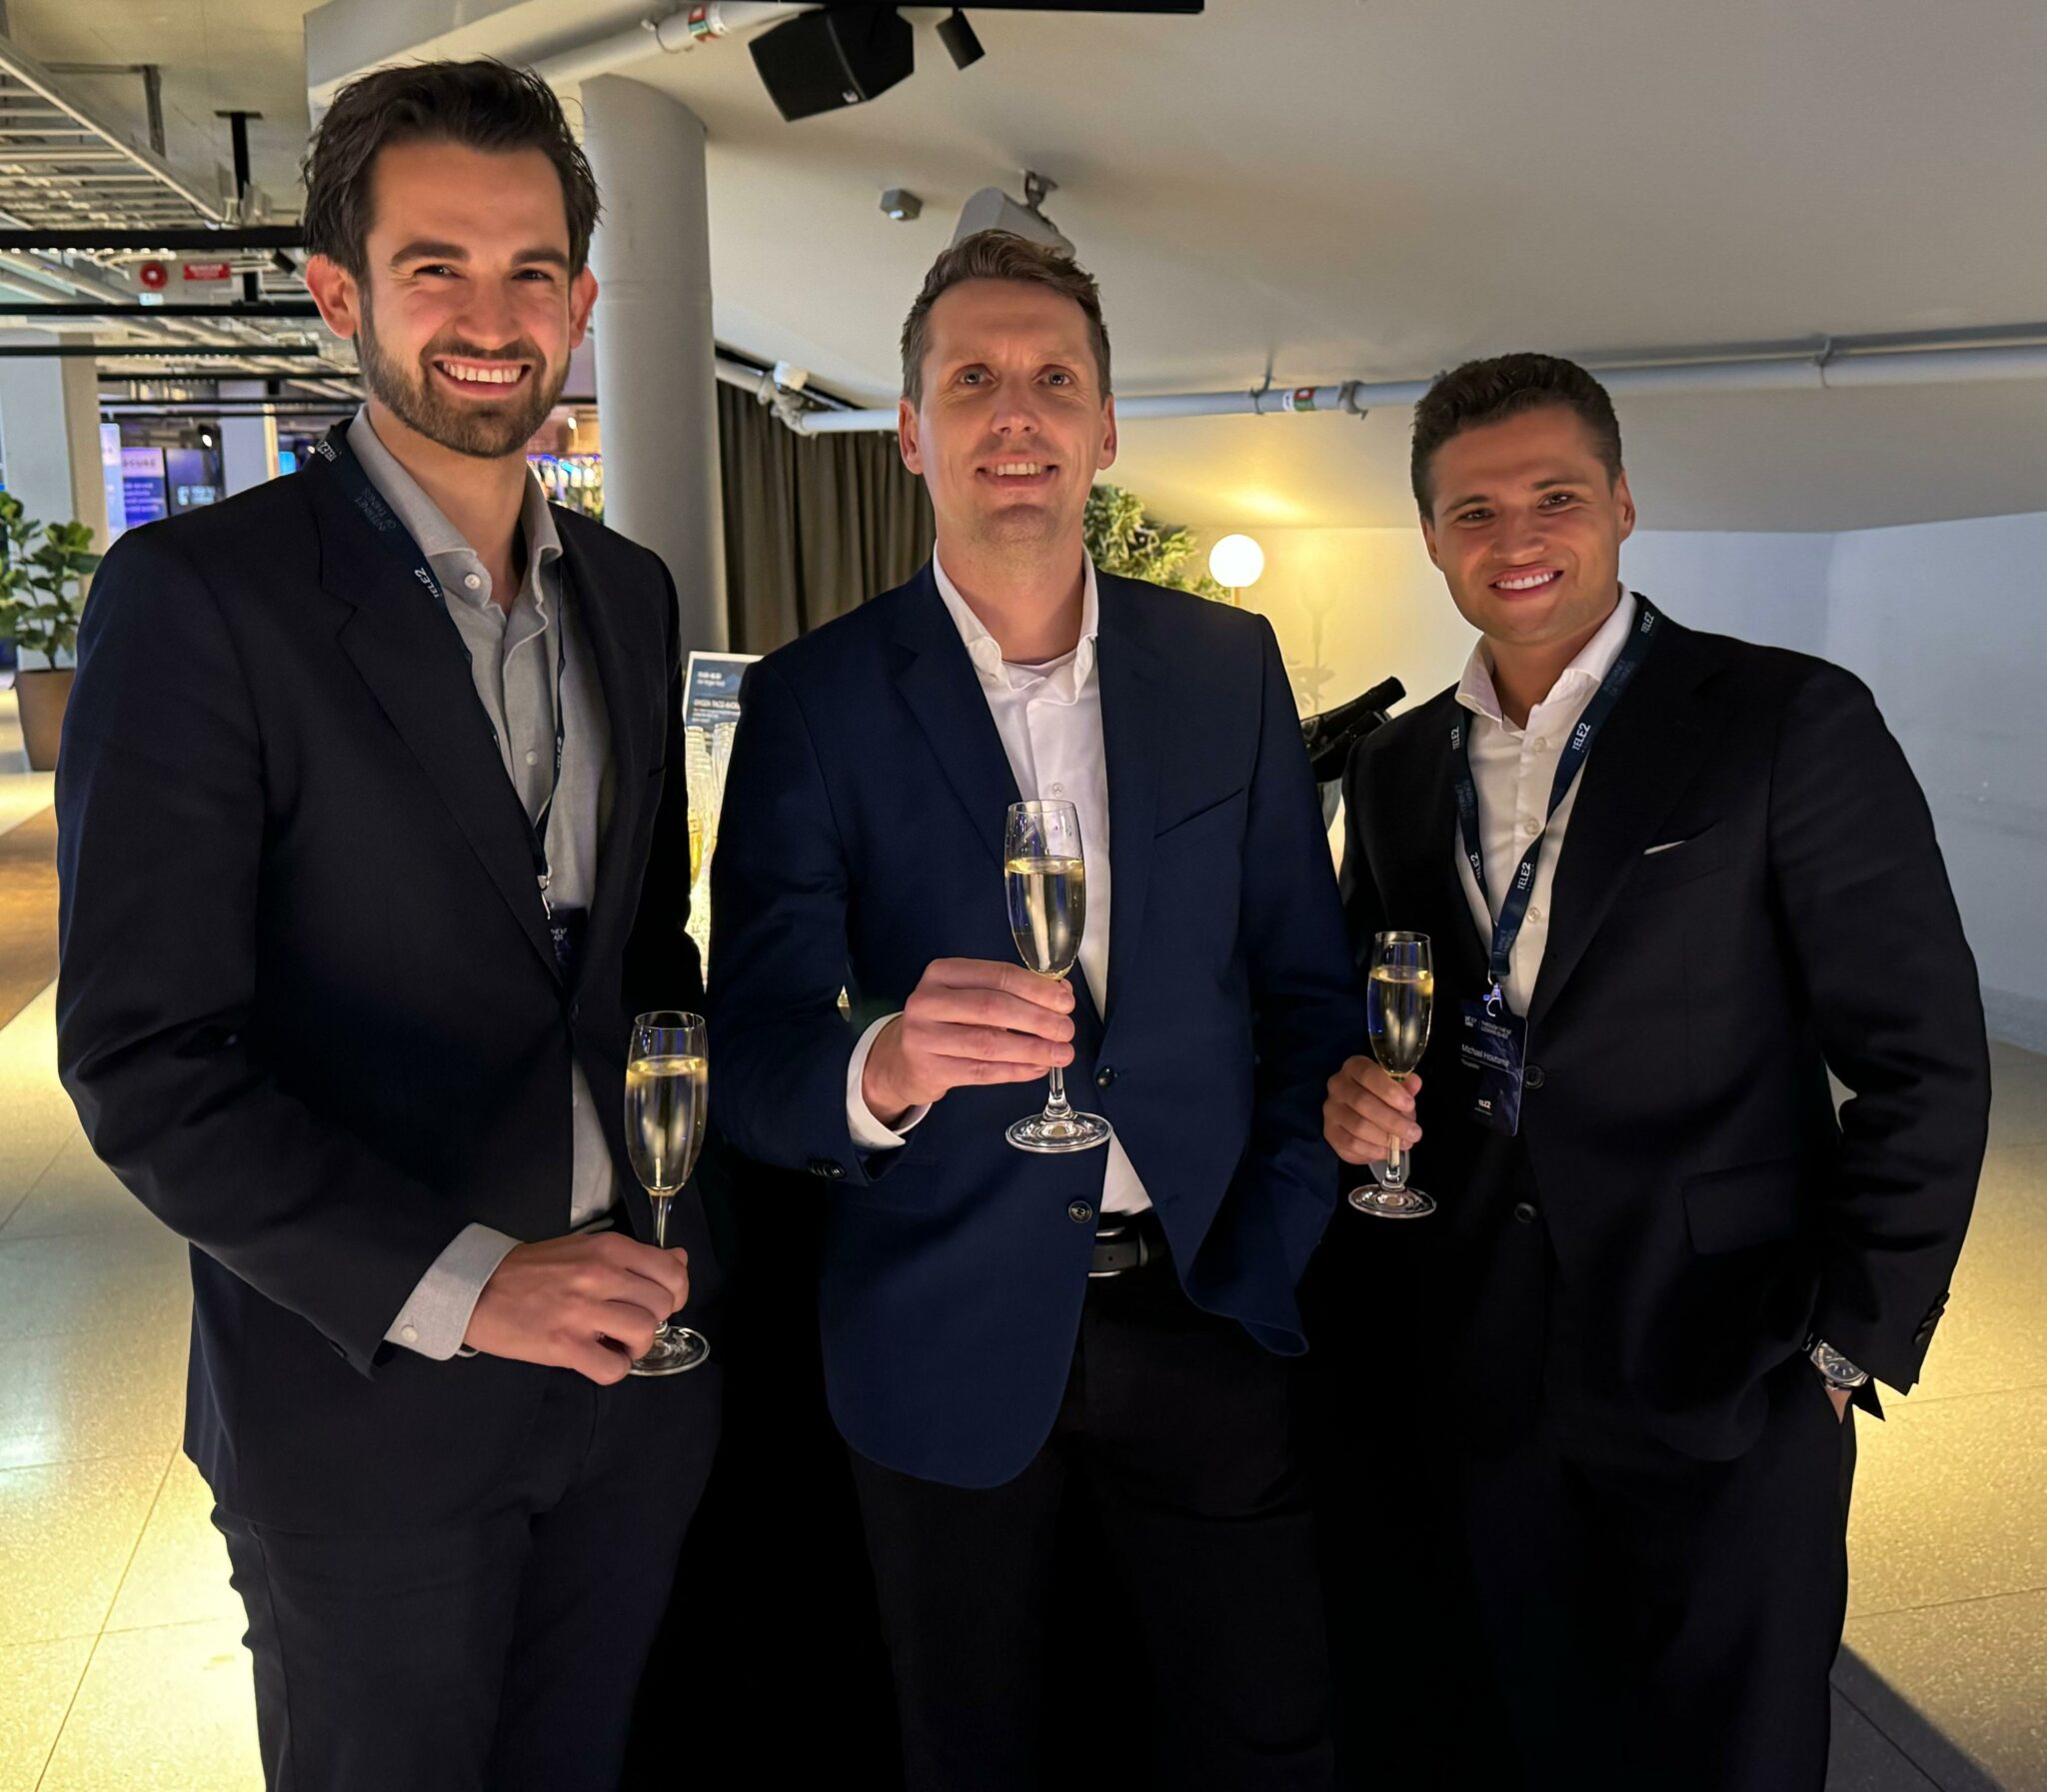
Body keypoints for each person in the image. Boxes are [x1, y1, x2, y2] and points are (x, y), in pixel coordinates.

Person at [55, 61, 718, 1792]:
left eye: (530, 271)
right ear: (339, 292)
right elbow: (144, 1061)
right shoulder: (201, 600)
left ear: (582, 300)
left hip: (627, 1381)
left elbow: (644, 961)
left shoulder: (631, 595)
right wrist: (474, 1285)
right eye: (437, 267)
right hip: (363, 1414)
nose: (492, 320)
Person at [709, 230, 1362, 1790]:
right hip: (937, 1325)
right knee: (975, 1749)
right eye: (974, 380)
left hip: (1204, 1302)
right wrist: (884, 1062)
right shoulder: (812, 700)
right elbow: (756, 1052)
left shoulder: (1228, 664)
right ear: (910, 430)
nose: (1018, 411)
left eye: (1056, 379)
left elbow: (1304, 981)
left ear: (1108, 426)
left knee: (1264, 1738)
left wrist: (1271, 1228)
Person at [1309, 353, 1992, 1790]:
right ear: (1430, 537)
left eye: (1555, 497)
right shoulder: (1396, 769)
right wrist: (1352, 1085)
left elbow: (1923, 1059)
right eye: (1473, 511)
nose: (1517, 538)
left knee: (1728, 1748)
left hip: (1731, 1359)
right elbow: (1377, 1004)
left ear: (1622, 502)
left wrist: (1842, 1349)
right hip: (1477, 1355)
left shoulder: (1783, 718)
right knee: (1513, 1724)